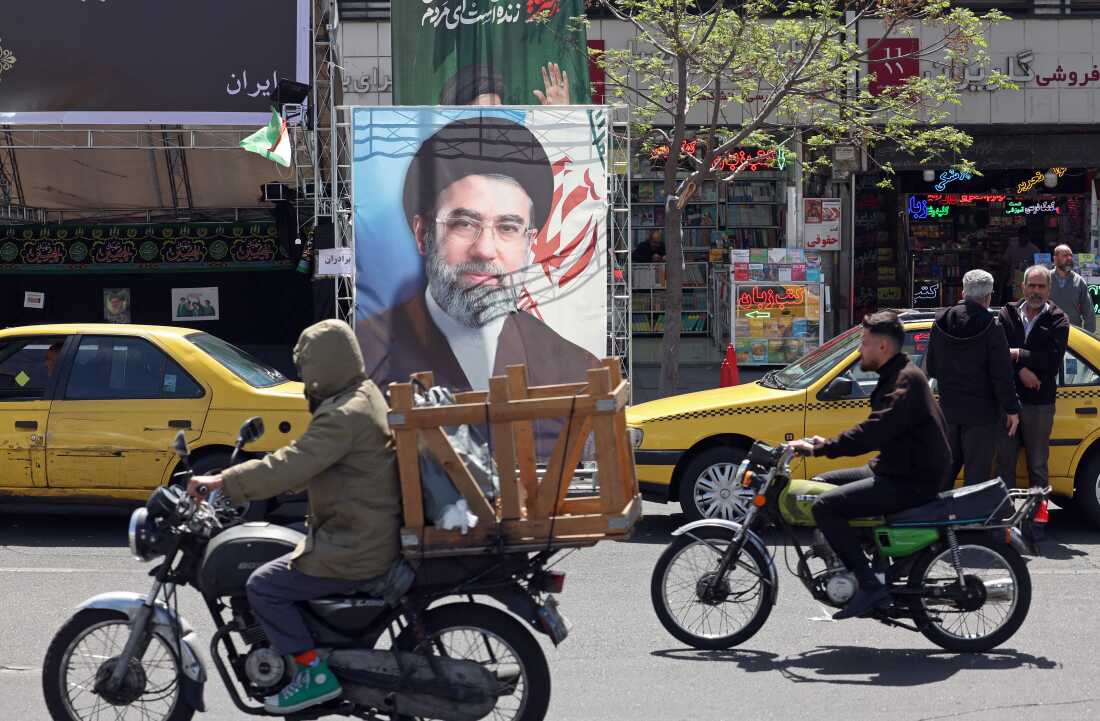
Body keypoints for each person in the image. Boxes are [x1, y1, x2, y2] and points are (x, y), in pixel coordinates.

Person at [188, 320, 403, 714]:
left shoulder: (342, 414)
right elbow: (316, 460)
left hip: (354, 543)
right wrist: (290, 480)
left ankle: (313, 675)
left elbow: (295, 461)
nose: (303, 377)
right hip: (359, 526)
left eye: (306, 367)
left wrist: (223, 481)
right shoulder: (363, 393)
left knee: (263, 585)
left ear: (323, 364)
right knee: (281, 541)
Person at [356, 116, 600, 397]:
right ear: (423, 234)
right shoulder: (364, 361)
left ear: (530, 244)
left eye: (508, 227)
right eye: (464, 224)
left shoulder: (573, 373)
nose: (484, 250)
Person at [789, 311, 950, 620]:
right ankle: (866, 557)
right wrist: (823, 445)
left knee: (825, 507)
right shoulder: (897, 374)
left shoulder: (905, 381)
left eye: (864, 343)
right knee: (822, 484)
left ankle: (869, 585)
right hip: (894, 467)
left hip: (912, 479)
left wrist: (820, 447)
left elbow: (876, 430)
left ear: (883, 348)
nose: (859, 350)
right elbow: (878, 429)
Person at [925, 269, 1019, 489]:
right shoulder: (991, 325)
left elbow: (932, 367)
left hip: (948, 411)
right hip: (981, 416)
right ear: (988, 297)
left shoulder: (940, 320)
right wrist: (1012, 409)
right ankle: (970, 524)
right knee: (976, 480)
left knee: (943, 475)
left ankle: (936, 521)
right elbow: (1001, 374)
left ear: (963, 291)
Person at [995, 265, 1070, 490]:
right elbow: (997, 354)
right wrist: (1020, 370)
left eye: (1041, 286)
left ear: (1049, 290)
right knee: (1003, 465)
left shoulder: (1058, 320)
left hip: (1039, 405)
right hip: (1008, 403)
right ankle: (1005, 523)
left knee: (1037, 467)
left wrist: (1017, 354)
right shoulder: (1007, 314)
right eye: (1031, 285)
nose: (1035, 291)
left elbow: (1052, 361)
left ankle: (1036, 523)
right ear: (1022, 287)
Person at [1049, 244, 1095, 333]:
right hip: (1049, 332)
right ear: (1055, 259)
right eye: (1065, 256)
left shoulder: (1079, 281)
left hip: (1073, 333)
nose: (1069, 258)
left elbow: (1089, 312)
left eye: (1071, 256)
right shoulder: (1046, 279)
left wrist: (1088, 335)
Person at [1000, 228, 1039, 304]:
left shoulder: (1034, 250)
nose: (1023, 238)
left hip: (1028, 283)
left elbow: (1038, 267)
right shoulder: (1012, 247)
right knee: (1011, 304)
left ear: (1028, 236)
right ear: (1018, 236)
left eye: (1024, 236)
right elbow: (1005, 261)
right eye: (1021, 236)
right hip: (1013, 282)